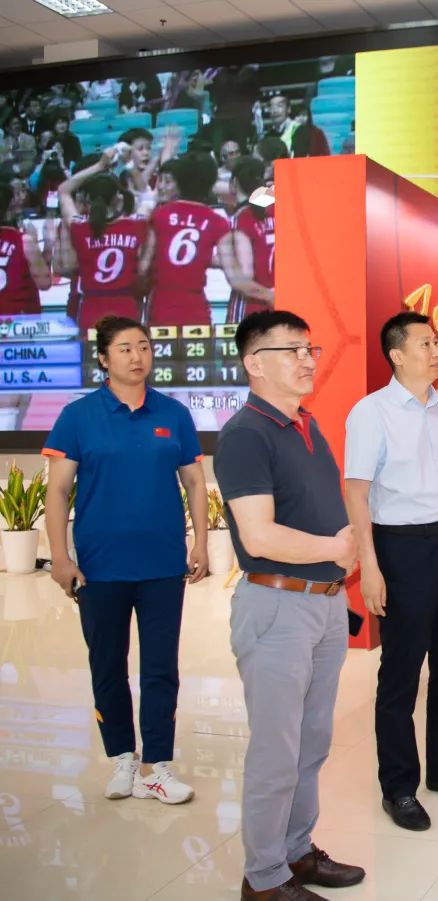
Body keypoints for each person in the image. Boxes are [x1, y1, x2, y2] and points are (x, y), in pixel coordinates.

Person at [214, 310, 365, 901]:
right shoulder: (245, 435)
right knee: (276, 752)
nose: (307, 360)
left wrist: (346, 556)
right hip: (278, 607)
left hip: (323, 605)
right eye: (292, 351)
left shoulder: (306, 425)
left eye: (310, 349)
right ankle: (264, 879)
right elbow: (258, 536)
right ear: (254, 363)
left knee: (311, 742)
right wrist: (334, 548)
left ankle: (297, 851)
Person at [42, 315, 208, 804]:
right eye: (126, 349)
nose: (138, 357)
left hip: (162, 565)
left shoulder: (173, 414)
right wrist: (59, 557)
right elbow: (58, 490)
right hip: (100, 567)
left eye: (144, 347)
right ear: (103, 358)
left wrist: (200, 542)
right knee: (107, 665)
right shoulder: (78, 416)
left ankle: (156, 766)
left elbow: (194, 482)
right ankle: (122, 758)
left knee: (160, 668)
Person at [344, 311, 438, 832]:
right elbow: (356, 492)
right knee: (402, 674)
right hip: (403, 549)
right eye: (424, 343)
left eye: (437, 343)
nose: (436, 352)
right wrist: (371, 566)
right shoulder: (371, 413)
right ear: (397, 354)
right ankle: (399, 787)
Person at [140, 152, 234, 325]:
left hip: (160, 307)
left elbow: (143, 267)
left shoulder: (159, 215)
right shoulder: (218, 221)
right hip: (196, 309)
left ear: (179, 181)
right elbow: (234, 274)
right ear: (211, 182)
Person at [58, 151, 148, 329]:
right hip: (126, 308)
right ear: (117, 198)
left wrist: (100, 165)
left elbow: (63, 190)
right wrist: (130, 164)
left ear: (87, 199)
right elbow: (147, 196)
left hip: (91, 310)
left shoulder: (80, 227)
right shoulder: (135, 224)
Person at [226, 156, 276, 322]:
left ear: (234, 183)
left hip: (251, 306)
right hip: (280, 304)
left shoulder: (241, 218)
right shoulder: (279, 210)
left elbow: (244, 275)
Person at [0, 181, 50, 315]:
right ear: (9, 207)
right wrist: (47, 245)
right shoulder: (24, 240)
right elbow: (44, 283)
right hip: (19, 319)